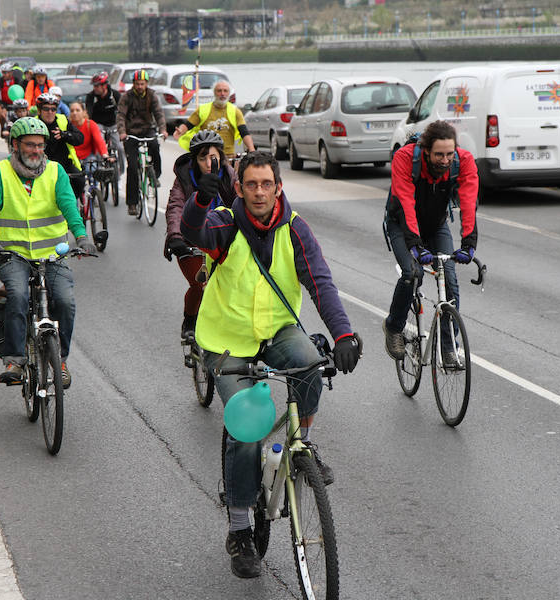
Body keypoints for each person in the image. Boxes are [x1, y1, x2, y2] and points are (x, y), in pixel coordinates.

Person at [181, 151, 362, 579]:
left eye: (267, 184)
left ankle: (305, 444)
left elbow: (321, 282)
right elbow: (193, 231)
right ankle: (241, 528)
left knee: (310, 363)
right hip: (227, 340)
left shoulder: (295, 229)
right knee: (247, 424)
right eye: (251, 185)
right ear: (240, 188)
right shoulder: (225, 224)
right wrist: (200, 201)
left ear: (278, 186)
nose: (259, 192)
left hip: (277, 330)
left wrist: (343, 335)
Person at [0, 116, 98, 388]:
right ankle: (14, 360)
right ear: (15, 145)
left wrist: (81, 236)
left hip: (52, 254)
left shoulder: (55, 171)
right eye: (30, 145)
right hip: (13, 254)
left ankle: (62, 360)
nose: (36, 151)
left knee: (65, 301)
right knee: (18, 296)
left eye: (40, 145)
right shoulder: (0, 172)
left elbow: (69, 205)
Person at [382, 120, 479, 365]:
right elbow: (405, 203)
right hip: (401, 223)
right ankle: (393, 327)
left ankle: (448, 348)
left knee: (449, 277)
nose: (445, 160)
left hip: (436, 225)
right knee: (412, 274)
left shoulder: (463, 161)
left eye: (449, 154)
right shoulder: (405, 159)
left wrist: (469, 242)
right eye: (439, 155)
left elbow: (468, 201)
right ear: (426, 150)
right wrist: (415, 244)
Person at [164, 130, 237, 338]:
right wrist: (175, 237)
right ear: (195, 160)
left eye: (212, 157)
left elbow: (241, 206)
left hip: (222, 242)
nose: (207, 162)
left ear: (220, 157)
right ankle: (190, 319)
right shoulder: (185, 179)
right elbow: (176, 207)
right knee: (198, 284)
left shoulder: (231, 177)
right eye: (202, 157)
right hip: (190, 241)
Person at [116, 69, 165, 216]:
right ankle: (132, 203)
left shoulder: (152, 95)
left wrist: (163, 129)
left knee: (155, 146)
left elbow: (159, 113)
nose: (139, 86)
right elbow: (121, 115)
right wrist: (122, 132)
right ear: (133, 84)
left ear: (146, 84)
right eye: (137, 84)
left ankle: (155, 175)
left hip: (147, 129)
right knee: (132, 166)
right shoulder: (126, 97)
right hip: (130, 133)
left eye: (142, 84)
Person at [175, 80, 255, 160]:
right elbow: (188, 125)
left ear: (229, 93)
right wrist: (181, 130)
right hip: (207, 156)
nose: (222, 94)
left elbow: (244, 132)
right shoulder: (203, 109)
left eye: (225, 91)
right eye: (219, 91)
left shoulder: (235, 111)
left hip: (228, 156)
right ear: (214, 92)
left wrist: (252, 150)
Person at [36, 93, 85, 200]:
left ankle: (74, 203)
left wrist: (65, 135)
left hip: (65, 164)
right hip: (41, 165)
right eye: (46, 109)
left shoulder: (62, 120)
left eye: (53, 109)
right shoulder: (34, 123)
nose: (50, 112)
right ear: (39, 110)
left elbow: (80, 138)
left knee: (80, 180)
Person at [85, 71, 124, 174]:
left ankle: (120, 171)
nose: (95, 88)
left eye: (97, 86)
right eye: (94, 86)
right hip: (98, 124)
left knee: (120, 147)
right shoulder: (91, 97)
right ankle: (101, 166)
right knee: (99, 144)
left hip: (113, 124)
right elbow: (88, 114)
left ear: (104, 85)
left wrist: (123, 126)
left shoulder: (115, 95)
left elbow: (122, 111)